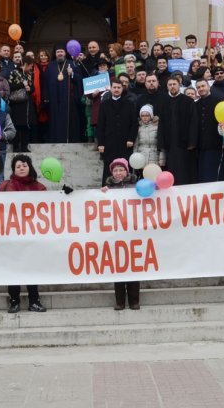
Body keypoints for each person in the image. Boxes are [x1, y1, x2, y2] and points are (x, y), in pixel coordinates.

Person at [0, 154, 46, 311]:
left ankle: (34, 301)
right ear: (13, 169)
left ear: (30, 167)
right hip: (11, 235)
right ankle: (14, 301)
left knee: (32, 268)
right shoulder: (5, 186)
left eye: (24, 165)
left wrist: (64, 195)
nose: (21, 168)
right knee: (13, 269)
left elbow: (50, 206)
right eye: (18, 166)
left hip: (32, 235)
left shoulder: (39, 187)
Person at [101, 158, 140, 309]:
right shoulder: (108, 188)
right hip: (116, 234)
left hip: (133, 232)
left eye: (121, 169)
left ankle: (134, 300)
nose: (118, 173)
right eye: (115, 170)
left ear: (127, 171)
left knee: (134, 268)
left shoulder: (136, 186)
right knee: (118, 268)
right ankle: (119, 301)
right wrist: (102, 193)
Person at [158, 74, 199, 184]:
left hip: (185, 144)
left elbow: (193, 122)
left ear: (179, 85)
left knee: (185, 171)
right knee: (171, 170)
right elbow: (160, 124)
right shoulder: (164, 102)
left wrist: (192, 142)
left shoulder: (188, 101)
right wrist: (161, 143)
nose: (172, 87)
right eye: (170, 85)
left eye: (174, 84)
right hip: (170, 144)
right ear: (167, 86)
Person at [95, 80, 137, 181]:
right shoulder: (104, 104)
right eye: (114, 87)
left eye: (119, 87)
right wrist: (101, 143)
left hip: (125, 143)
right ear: (111, 89)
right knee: (109, 168)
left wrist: (131, 139)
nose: (116, 90)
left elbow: (134, 123)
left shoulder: (129, 104)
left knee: (126, 167)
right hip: (109, 143)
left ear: (122, 89)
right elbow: (100, 125)